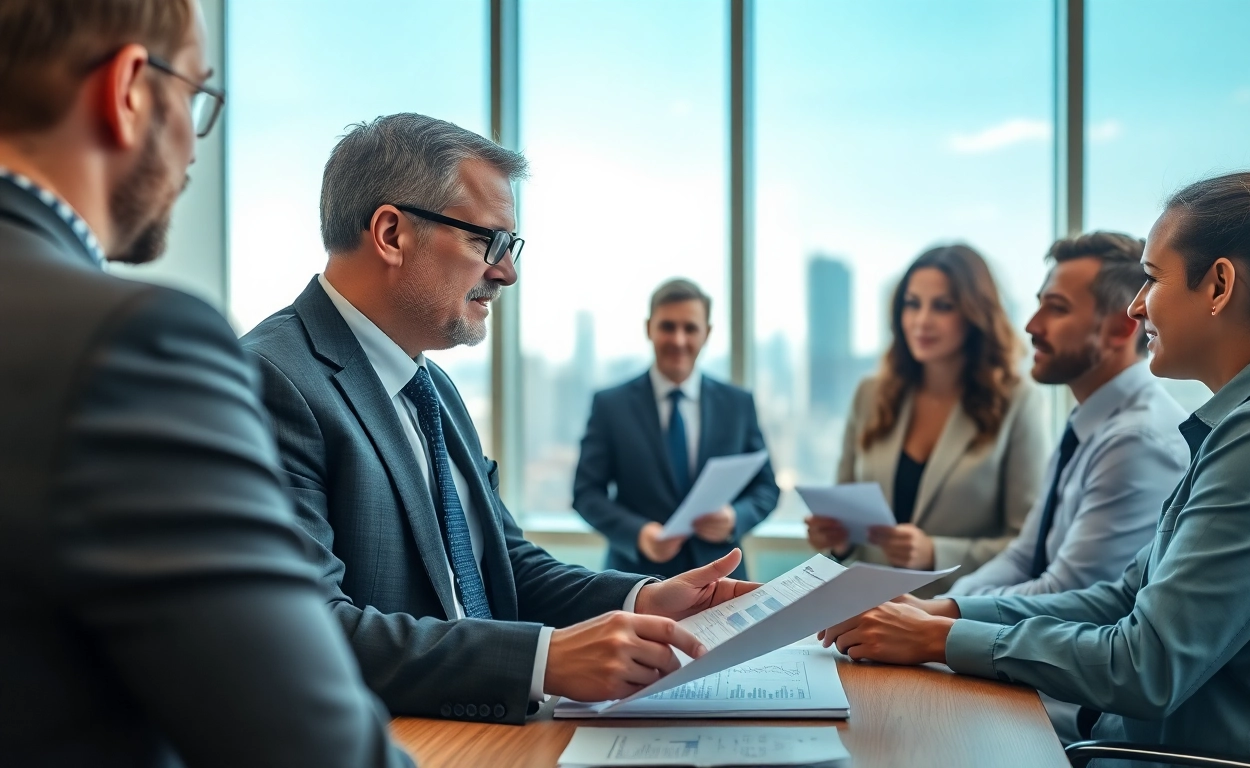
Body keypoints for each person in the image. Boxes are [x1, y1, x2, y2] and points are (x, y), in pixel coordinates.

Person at [820, 148, 1250, 768]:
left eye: (1153, 277)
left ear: (1220, 286)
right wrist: (951, 610)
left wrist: (942, 637)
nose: (1137, 305)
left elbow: (1147, 667)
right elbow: (1123, 595)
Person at [241, 114, 754, 724]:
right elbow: (307, 627)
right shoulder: (270, 379)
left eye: (510, 247)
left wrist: (643, 597)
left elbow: (503, 563)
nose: (507, 271)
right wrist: (543, 660)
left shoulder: (434, 389)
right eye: (490, 241)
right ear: (391, 233)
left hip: (489, 732)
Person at [0, 2, 408, 766]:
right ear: (128, 90)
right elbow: (306, 747)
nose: (192, 144)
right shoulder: (134, 343)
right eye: (195, 95)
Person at [943, 232, 1189, 741]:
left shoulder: (1136, 439)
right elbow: (1023, 555)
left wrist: (943, 625)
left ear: (1124, 325)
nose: (1032, 326)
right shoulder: (1090, 419)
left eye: (1055, 309)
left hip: (1067, 711)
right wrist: (949, 607)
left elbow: (1069, 591)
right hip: (1025, 677)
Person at [806, 244, 1049, 596]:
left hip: (954, 621)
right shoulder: (870, 395)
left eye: (943, 306)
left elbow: (1026, 545)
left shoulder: (1017, 402)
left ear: (974, 313)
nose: (921, 320)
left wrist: (935, 553)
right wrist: (837, 541)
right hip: (864, 613)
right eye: (912, 303)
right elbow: (846, 522)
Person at [573, 279, 779, 579]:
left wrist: (735, 518)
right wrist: (639, 534)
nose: (679, 340)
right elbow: (586, 493)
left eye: (690, 328)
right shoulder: (610, 405)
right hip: (637, 583)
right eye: (668, 327)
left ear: (706, 333)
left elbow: (767, 488)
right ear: (649, 328)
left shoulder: (738, 404)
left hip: (721, 580)